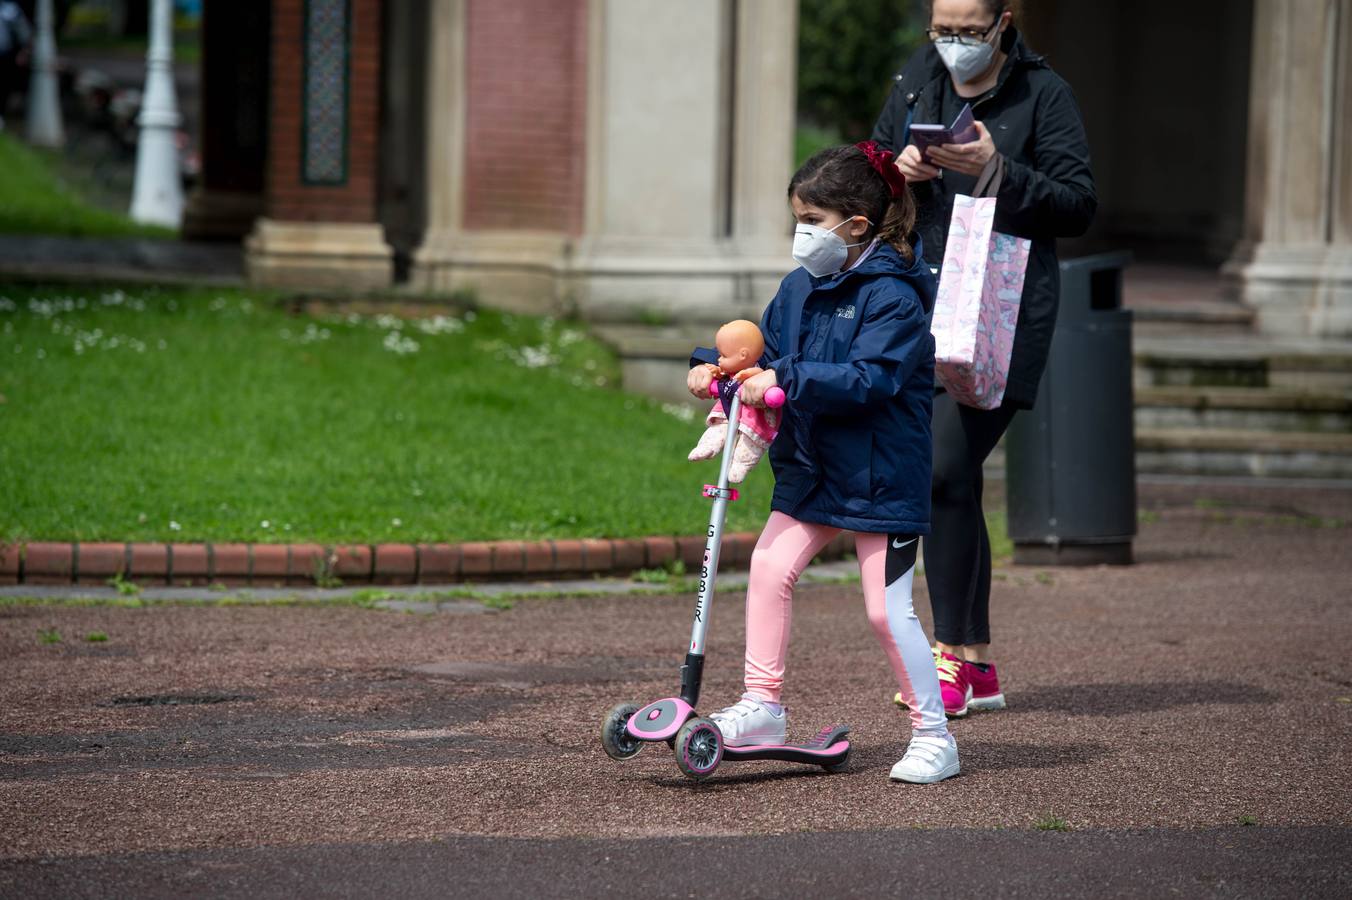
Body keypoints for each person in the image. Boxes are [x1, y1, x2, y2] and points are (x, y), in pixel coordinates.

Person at [686, 141, 958, 784]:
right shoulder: (797, 289)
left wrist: (786, 377)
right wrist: (717, 370)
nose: (801, 234)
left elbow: (872, 378)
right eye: (798, 220)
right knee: (768, 568)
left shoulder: (894, 296)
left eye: (812, 220)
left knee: (885, 610)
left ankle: (933, 735)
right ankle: (762, 705)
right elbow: (768, 355)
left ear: (856, 225)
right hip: (812, 465)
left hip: (880, 473)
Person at [870, 0, 1096, 717]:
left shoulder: (1043, 93)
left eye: (969, 30)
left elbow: (1078, 204)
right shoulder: (918, 78)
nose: (953, 44)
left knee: (941, 468)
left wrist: (999, 169)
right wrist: (897, 168)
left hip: (1001, 307)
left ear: (1004, 22)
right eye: (942, 29)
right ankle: (974, 664)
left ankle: (952, 654)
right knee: (952, 479)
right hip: (921, 301)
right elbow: (866, 173)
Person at [687, 319, 782, 483]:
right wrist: (715, 370)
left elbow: (757, 374)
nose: (719, 359)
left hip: (753, 415)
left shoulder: (758, 370)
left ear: (743, 354)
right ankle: (708, 445)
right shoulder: (730, 367)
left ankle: (741, 464)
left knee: (750, 440)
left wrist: (750, 377)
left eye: (723, 355)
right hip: (730, 408)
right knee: (719, 425)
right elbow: (722, 372)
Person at [0, 0, 31, 130]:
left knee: (2, 86)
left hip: (3, 54)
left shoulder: (9, 8)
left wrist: (24, 51)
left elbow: (22, 29)